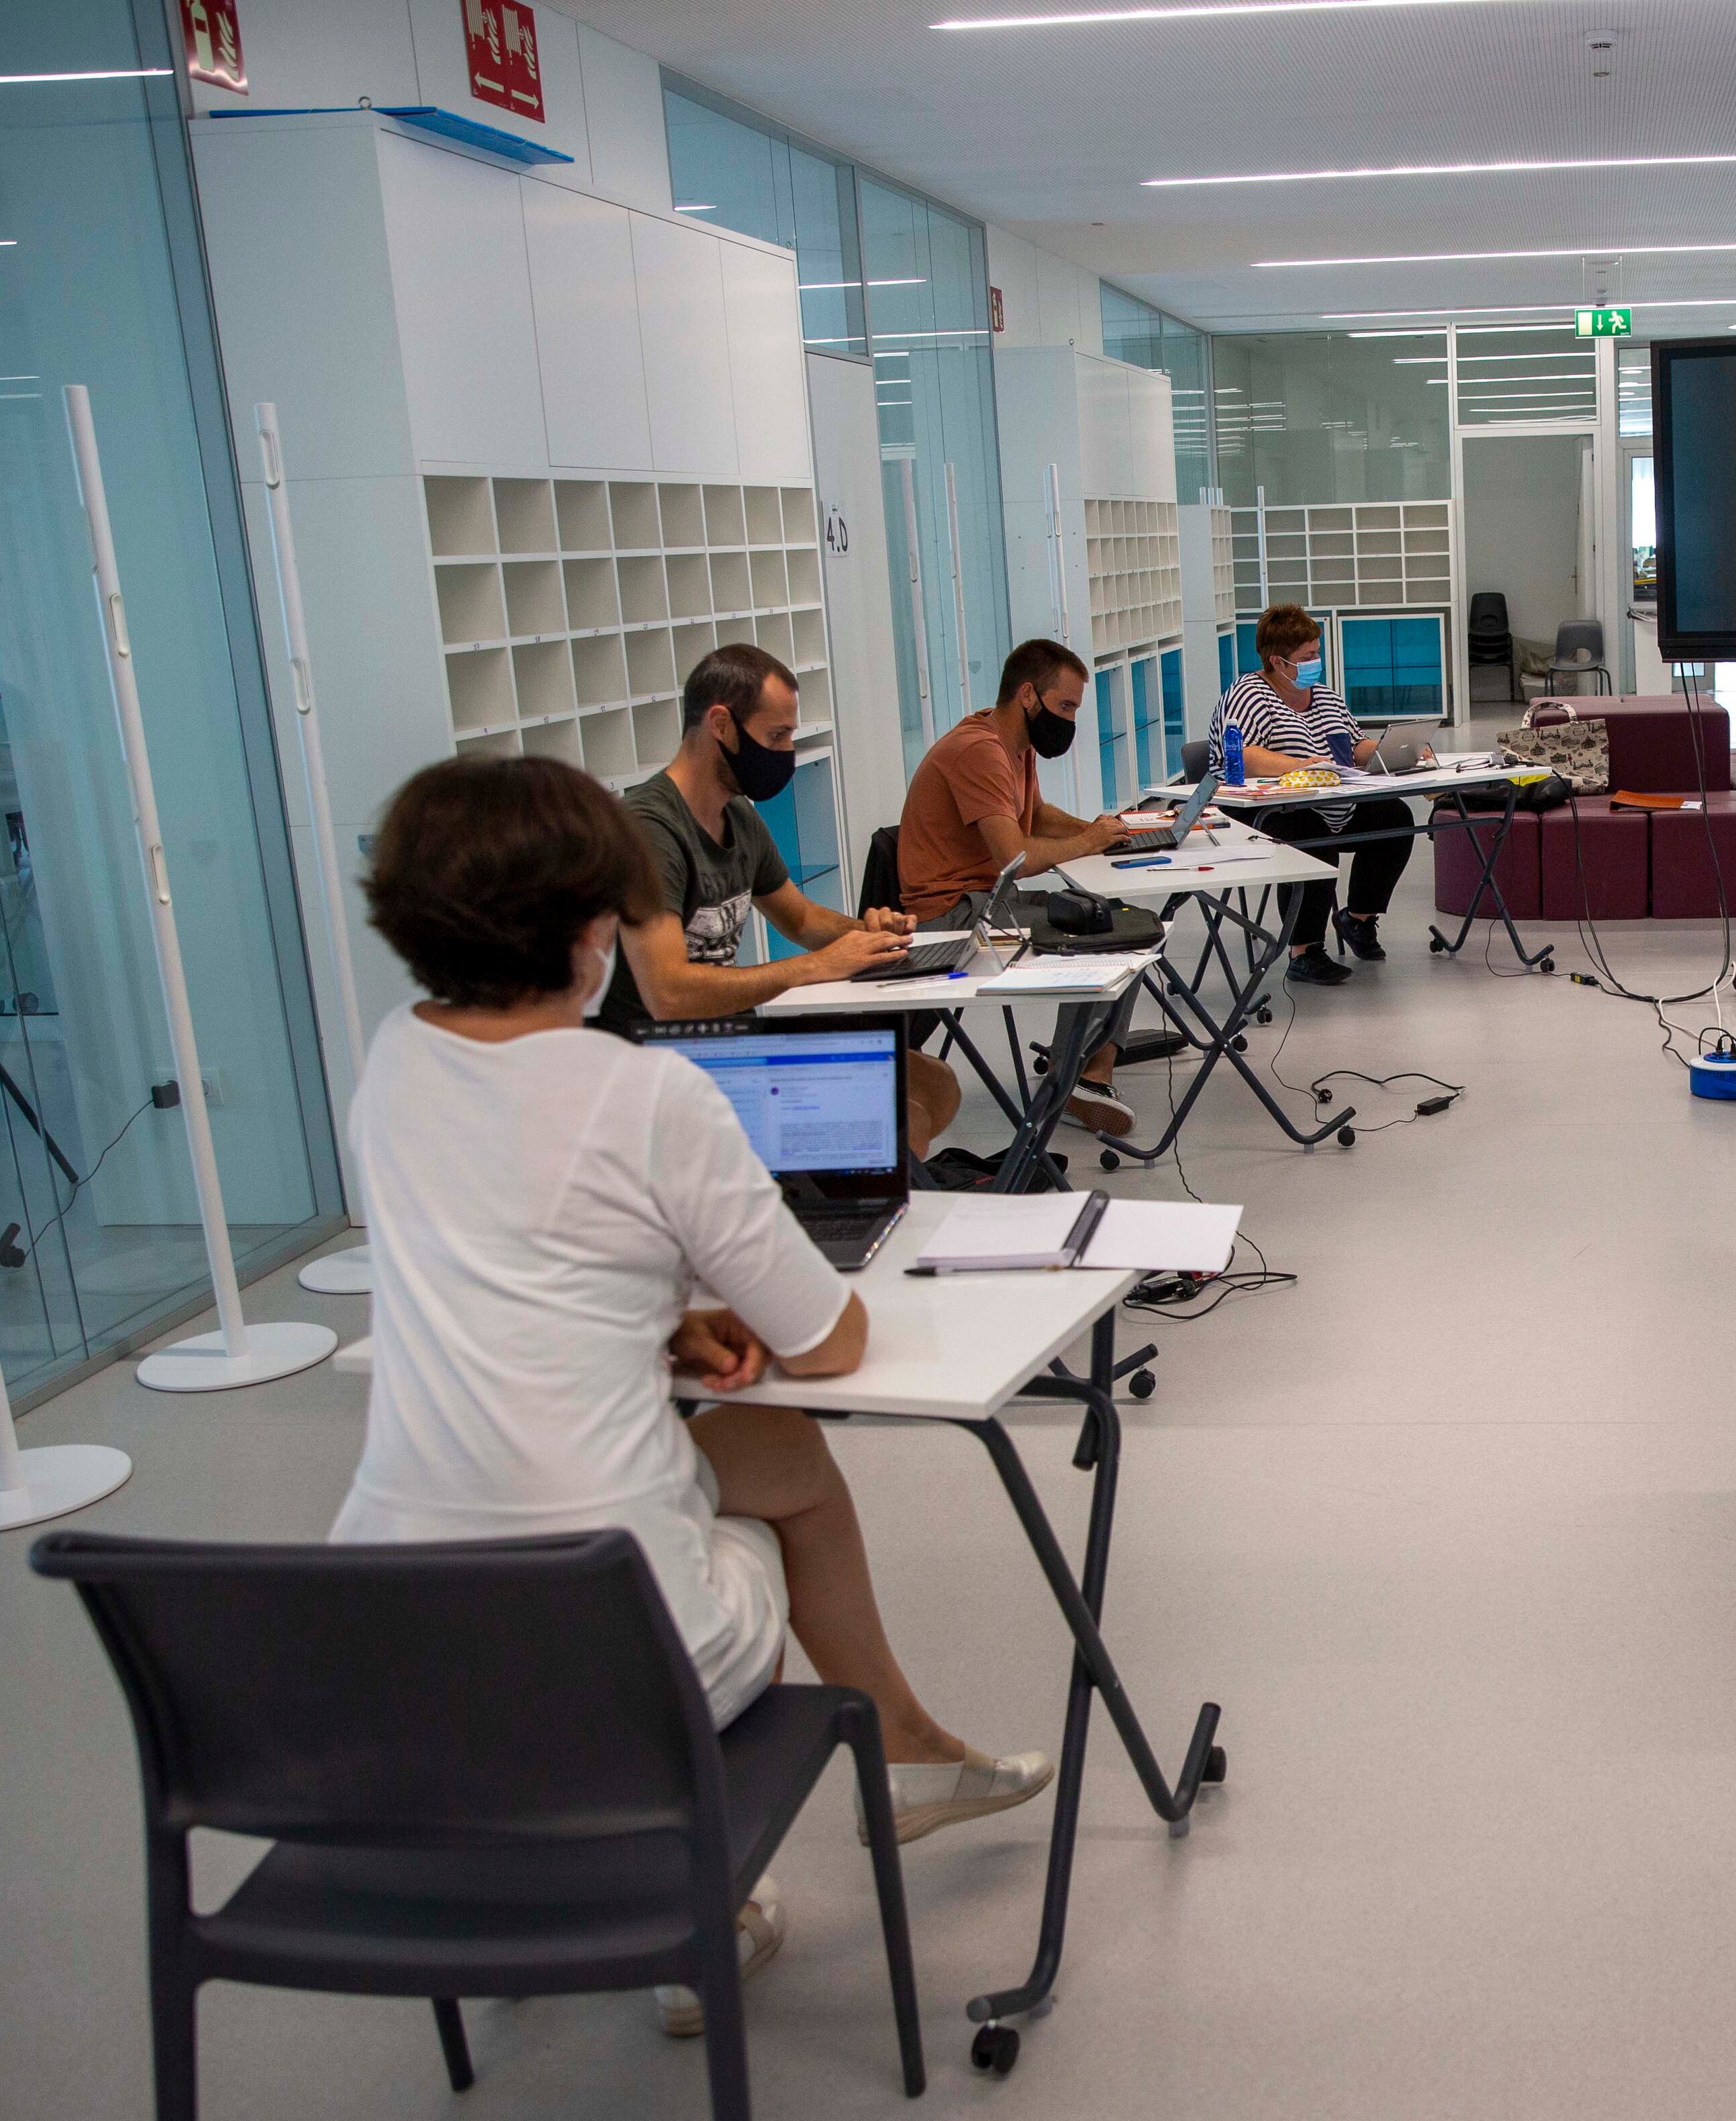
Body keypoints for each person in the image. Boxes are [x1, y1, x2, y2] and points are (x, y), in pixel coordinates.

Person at [336, 756, 1052, 2037]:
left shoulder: (393, 1061)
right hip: (612, 1634)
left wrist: (662, 1318)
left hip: (398, 1636)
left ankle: (901, 1757)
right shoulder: (643, 1090)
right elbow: (828, 1340)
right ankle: (708, 1898)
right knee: (770, 1475)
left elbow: (507, 1255)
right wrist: (709, 1314)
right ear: (594, 922)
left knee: (755, 1444)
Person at [599, 643, 959, 1159]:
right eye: (776, 736)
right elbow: (668, 995)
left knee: (934, 1084)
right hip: (661, 1067)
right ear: (720, 724)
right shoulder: (649, 830)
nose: (787, 751)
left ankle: (844, 1202)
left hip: (729, 1045)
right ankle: (852, 1211)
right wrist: (814, 967)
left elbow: (802, 916)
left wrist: (867, 933)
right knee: (898, 1114)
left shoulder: (736, 816)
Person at [894, 638, 1139, 1139]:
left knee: (1123, 923)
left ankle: (1087, 1073)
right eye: (1065, 706)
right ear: (1028, 695)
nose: (1069, 720)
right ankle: (1073, 1078)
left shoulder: (1011, 744)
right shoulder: (979, 750)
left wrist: (1097, 831)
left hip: (983, 901)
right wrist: (1089, 840)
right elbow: (1016, 857)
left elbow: (1038, 815)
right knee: (1106, 931)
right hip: (953, 914)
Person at [1211, 604, 1418, 986]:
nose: (1316, 662)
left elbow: (1353, 745)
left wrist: (1395, 750)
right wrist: (1299, 766)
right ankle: (1304, 951)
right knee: (1310, 838)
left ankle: (1358, 919)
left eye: (1316, 653)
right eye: (1307, 657)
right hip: (1266, 811)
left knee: (1396, 818)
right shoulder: (1248, 694)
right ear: (1278, 661)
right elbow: (1244, 755)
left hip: (1329, 800)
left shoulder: (1324, 696)